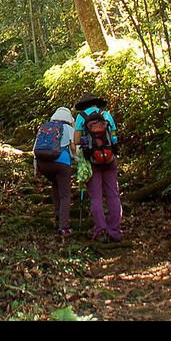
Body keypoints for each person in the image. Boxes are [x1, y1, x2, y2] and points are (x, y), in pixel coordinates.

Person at [73, 93, 123, 242]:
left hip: (91, 159)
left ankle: (101, 231)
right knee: (113, 194)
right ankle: (115, 231)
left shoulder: (81, 116)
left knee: (96, 197)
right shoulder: (106, 115)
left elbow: (76, 140)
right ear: (97, 103)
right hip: (109, 158)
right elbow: (114, 138)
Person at [35, 106, 77, 237]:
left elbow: (35, 147)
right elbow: (74, 148)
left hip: (44, 163)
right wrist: (78, 160)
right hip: (61, 163)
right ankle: (64, 227)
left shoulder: (45, 127)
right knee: (65, 195)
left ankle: (58, 216)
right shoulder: (69, 129)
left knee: (55, 185)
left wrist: (36, 168)